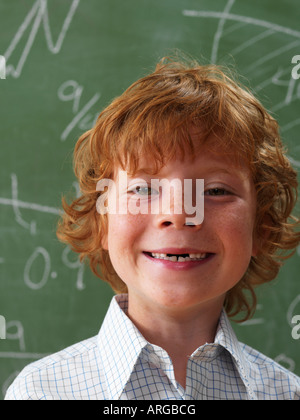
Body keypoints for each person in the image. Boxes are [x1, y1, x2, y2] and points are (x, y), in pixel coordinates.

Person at [5, 56, 300, 400]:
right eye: (143, 189)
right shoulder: (40, 392)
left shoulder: (286, 394)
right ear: (102, 223)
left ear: (260, 229)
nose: (178, 214)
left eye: (216, 191)